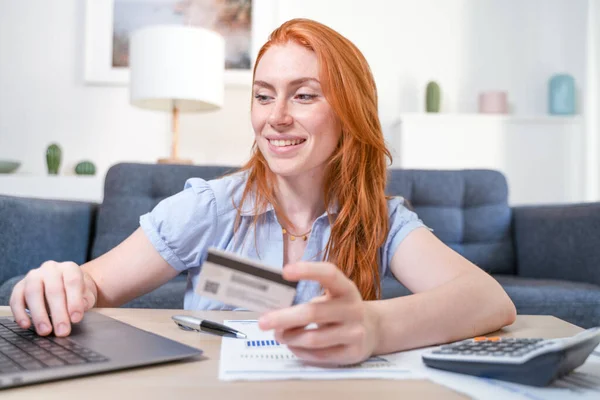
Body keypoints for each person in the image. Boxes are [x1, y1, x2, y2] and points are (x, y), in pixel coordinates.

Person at [10, 18, 516, 366]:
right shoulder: (208, 208)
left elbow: (487, 299)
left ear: (349, 112)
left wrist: (375, 326)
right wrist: (61, 282)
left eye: (303, 94)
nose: (275, 117)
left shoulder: (379, 220)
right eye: (263, 95)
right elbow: (94, 286)